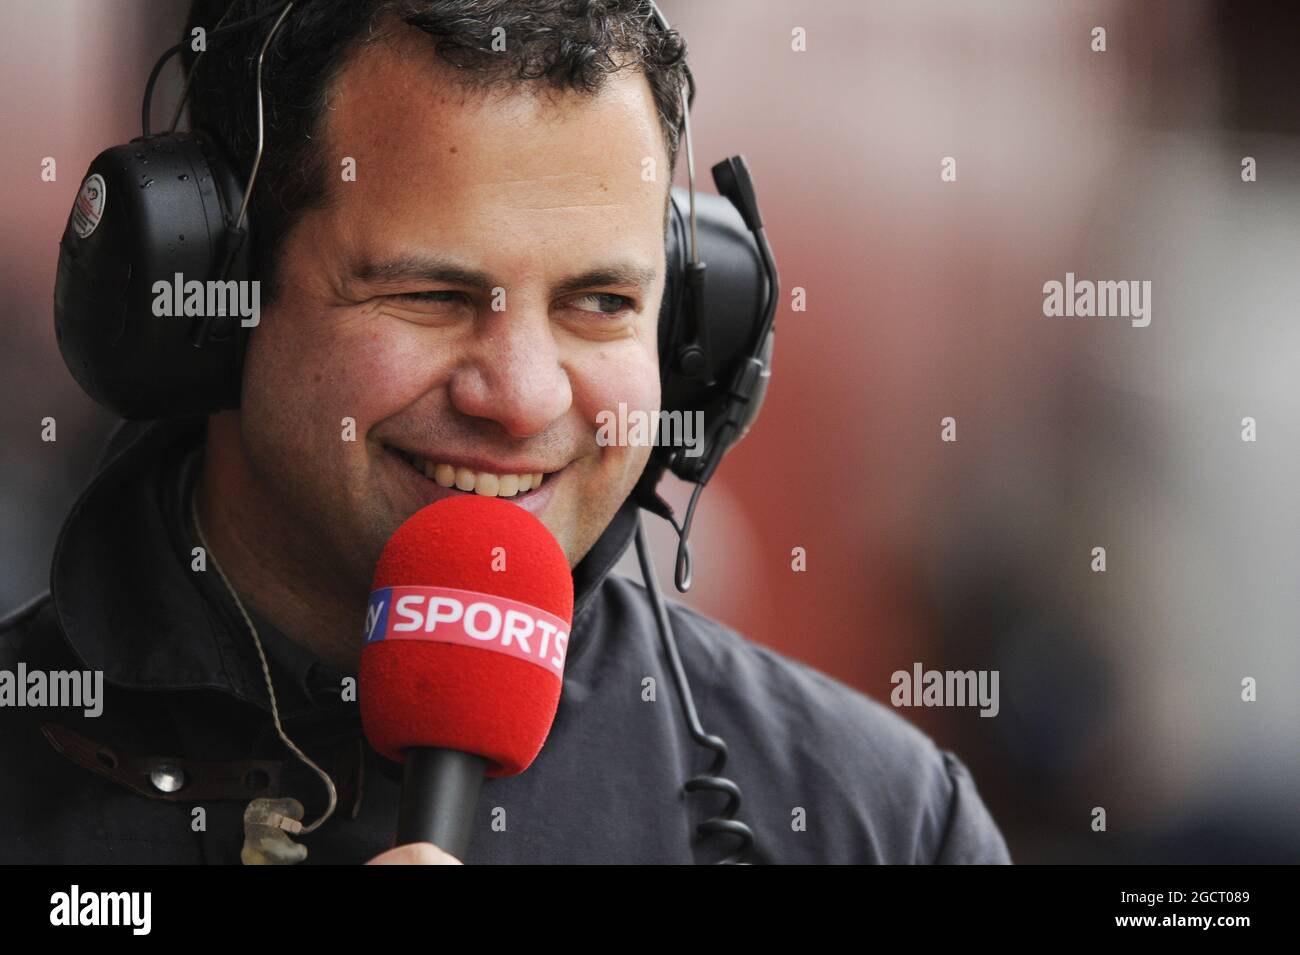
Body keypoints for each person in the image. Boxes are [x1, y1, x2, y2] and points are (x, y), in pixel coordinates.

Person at [0, 0, 1011, 864]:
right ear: (214, 296)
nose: (522, 398)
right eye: (431, 293)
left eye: (602, 301)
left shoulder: (883, 823)